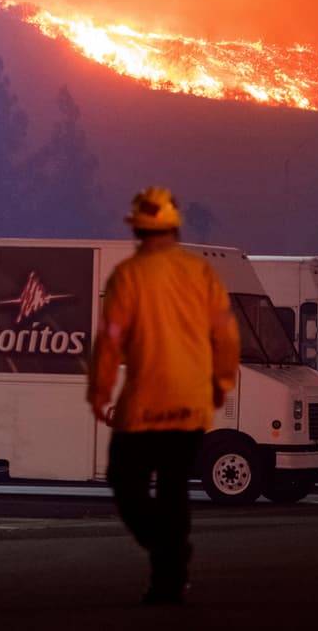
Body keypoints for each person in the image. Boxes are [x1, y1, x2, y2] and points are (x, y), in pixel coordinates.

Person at [87, 186, 241, 605]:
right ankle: (169, 573)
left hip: (145, 404)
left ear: (138, 230)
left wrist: (100, 392)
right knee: (174, 488)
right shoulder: (201, 274)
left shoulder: (128, 277)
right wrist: (221, 384)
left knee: (125, 481)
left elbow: (111, 341)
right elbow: (226, 334)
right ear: (173, 229)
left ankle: (164, 551)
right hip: (190, 404)